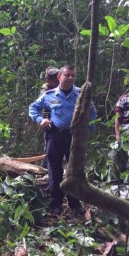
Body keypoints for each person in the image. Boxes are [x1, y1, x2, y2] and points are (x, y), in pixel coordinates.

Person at [29, 65, 97, 216]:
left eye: (73, 75)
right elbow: (32, 108)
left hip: (74, 138)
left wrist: (88, 131)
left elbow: (92, 112)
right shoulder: (49, 95)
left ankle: (75, 203)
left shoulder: (81, 94)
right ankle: (56, 203)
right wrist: (41, 120)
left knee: (74, 170)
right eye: (67, 75)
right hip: (54, 136)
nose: (71, 78)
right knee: (55, 170)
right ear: (59, 77)